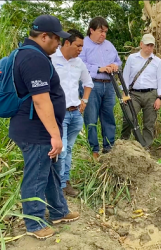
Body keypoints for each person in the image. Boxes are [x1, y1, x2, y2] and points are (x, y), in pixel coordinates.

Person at [9, 15, 79, 239]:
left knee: (48, 173)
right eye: (57, 38)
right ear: (44, 36)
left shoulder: (31, 54)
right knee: (36, 176)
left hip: (36, 127)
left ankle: (59, 211)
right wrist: (55, 135)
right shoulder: (33, 58)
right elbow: (41, 100)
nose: (59, 43)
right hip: (36, 129)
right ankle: (35, 223)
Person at [51, 29, 94, 197]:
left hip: (75, 113)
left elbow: (88, 83)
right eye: (78, 45)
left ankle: (64, 182)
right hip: (59, 113)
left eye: (82, 46)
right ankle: (58, 184)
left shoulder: (79, 63)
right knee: (60, 150)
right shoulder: (52, 59)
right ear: (67, 43)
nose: (80, 49)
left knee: (68, 149)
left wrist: (84, 100)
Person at [79, 17, 122, 158]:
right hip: (91, 84)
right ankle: (94, 150)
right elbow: (80, 64)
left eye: (105, 32)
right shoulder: (83, 44)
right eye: (100, 31)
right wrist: (99, 68)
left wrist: (115, 65)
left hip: (109, 85)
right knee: (91, 118)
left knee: (108, 116)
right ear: (91, 30)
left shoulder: (109, 45)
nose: (103, 34)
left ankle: (109, 147)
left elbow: (118, 61)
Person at [121, 34, 161, 148]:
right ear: (141, 44)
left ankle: (145, 147)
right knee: (128, 118)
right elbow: (125, 77)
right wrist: (124, 93)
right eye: (147, 45)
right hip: (134, 94)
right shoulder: (132, 58)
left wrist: (159, 98)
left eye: (151, 45)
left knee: (149, 123)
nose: (149, 48)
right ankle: (123, 143)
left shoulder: (157, 61)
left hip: (151, 94)